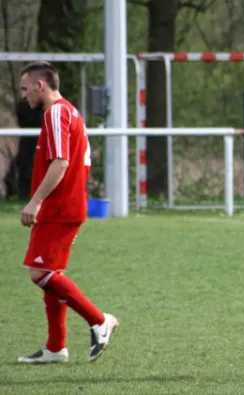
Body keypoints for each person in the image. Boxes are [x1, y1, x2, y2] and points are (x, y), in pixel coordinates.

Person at [17, 61, 119, 364]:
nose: (24, 95)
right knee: (50, 272)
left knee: (40, 273)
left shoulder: (56, 113)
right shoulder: (69, 111)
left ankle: (100, 320)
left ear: (40, 85)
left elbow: (60, 162)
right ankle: (55, 347)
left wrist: (35, 202)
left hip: (60, 206)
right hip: (65, 205)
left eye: (25, 88)